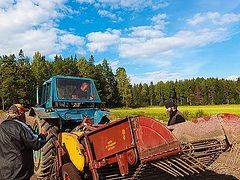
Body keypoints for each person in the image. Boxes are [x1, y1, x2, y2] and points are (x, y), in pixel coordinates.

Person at [0, 104, 48, 180]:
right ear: (20, 113)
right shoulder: (21, 126)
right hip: (19, 172)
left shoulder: (1, 126)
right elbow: (36, 143)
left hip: (4, 173)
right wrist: (43, 135)